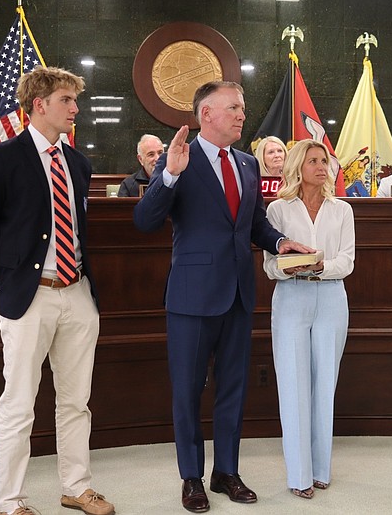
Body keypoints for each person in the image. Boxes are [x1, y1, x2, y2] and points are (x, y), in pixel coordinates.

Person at [133, 81, 312, 513]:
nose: (241, 115)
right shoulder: (180, 159)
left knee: (233, 388)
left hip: (238, 295)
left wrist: (280, 242)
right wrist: (170, 174)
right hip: (192, 298)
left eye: (242, 108)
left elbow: (254, 225)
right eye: (233, 108)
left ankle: (226, 471)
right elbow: (145, 220)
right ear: (205, 114)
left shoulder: (249, 164)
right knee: (188, 391)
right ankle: (191, 477)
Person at [0, 66, 115, 515]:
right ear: (40, 105)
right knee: (19, 403)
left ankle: (76, 487)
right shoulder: (2, 157)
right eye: (67, 100)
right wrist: (9, 278)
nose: (75, 109)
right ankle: (10, 501)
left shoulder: (78, 163)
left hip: (77, 294)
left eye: (75, 100)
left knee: (76, 402)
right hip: (29, 297)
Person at [262, 139, 355, 500]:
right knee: (294, 384)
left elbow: (347, 261)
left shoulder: (342, 210)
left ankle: (321, 470)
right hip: (291, 298)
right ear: (298, 166)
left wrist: (320, 266)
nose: (322, 166)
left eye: (325, 161)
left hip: (332, 298)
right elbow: (270, 265)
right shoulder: (278, 210)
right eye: (313, 160)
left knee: (324, 384)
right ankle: (298, 475)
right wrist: (291, 268)